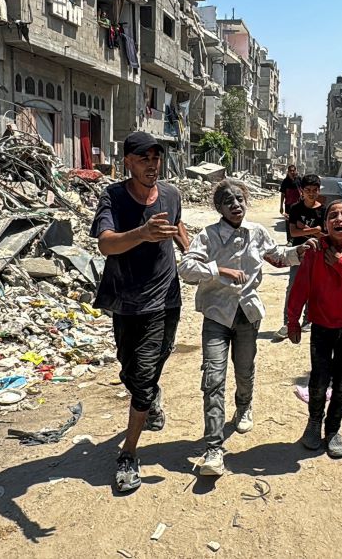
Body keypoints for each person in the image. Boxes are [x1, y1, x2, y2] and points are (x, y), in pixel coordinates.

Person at [179, 179, 314, 476]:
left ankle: (244, 406)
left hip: (248, 315)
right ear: (218, 208)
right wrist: (217, 269)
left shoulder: (256, 233)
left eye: (239, 199)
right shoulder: (209, 236)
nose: (235, 205)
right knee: (213, 377)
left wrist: (298, 250)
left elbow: (277, 257)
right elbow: (186, 268)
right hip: (216, 315)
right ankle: (214, 449)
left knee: (244, 369)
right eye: (228, 201)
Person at [92, 132, 190, 493]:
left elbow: (178, 228)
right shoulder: (113, 197)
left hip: (165, 298)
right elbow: (105, 244)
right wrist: (143, 233)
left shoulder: (171, 194)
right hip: (127, 300)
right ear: (128, 162)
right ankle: (150, 394)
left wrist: (193, 253)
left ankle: (128, 454)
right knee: (129, 370)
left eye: (156, 157)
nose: (152, 164)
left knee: (146, 372)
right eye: (143, 158)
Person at [286, 200, 342, 459]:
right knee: (319, 380)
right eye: (333, 215)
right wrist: (293, 320)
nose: (339, 219)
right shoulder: (315, 250)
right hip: (322, 328)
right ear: (325, 225)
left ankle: (333, 430)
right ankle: (314, 423)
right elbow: (301, 287)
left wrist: (341, 264)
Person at [278, 174, 325, 338]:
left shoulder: (323, 210)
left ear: (318, 191)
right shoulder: (296, 208)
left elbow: (325, 235)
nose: (311, 193)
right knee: (293, 288)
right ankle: (288, 322)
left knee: (314, 289)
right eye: (308, 190)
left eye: (314, 190)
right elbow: (293, 232)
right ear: (302, 191)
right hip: (298, 253)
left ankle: (308, 320)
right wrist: (314, 230)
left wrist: (304, 228)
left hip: (317, 255)